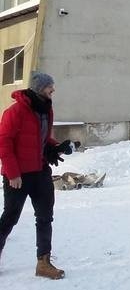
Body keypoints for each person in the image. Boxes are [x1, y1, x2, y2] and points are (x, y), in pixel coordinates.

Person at [0, 71, 79, 279]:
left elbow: (41, 140)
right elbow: (4, 144)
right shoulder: (15, 112)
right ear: (39, 88)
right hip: (18, 176)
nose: (53, 90)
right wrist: (13, 173)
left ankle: (43, 263)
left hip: (40, 172)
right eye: (49, 87)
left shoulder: (45, 111)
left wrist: (58, 147)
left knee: (45, 217)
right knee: (10, 217)